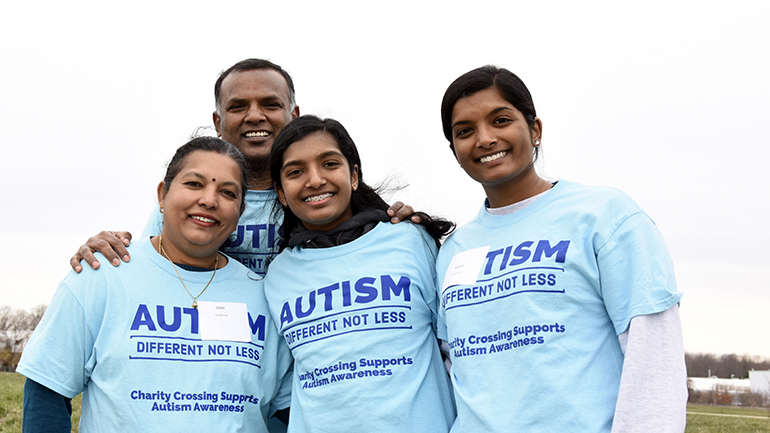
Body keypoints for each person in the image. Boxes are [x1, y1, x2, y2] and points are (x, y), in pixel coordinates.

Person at [434, 66, 687, 433]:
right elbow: (452, 368)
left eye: (500, 120)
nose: (485, 139)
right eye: (465, 131)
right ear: (455, 150)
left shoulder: (605, 216)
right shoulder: (453, 250)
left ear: (534, 129)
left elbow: (654, 359)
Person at [19, 137, 293, 432]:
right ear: (162, 195)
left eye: (227, 192)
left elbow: (287, 411)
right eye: (194, 184)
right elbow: (47, 391)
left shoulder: (263, 296)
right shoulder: (102, 275)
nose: (209, 200)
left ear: (240, 211)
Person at [70, 58, 417, 276]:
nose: (254, 116)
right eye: (238, 107)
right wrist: (106, 248)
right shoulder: (192, 200)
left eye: (270, 104)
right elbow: (150, 263)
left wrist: (399, 221)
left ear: (293, 115)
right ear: (217, 121)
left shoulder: (322, 192)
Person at [262, 115, 456, 432]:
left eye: (329, 164)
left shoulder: (410, 240)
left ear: (353, 175)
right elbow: (281, 387)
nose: (314, 180)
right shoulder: (278, 275)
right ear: (281, 193)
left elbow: (455, 345)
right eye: (296, 172)